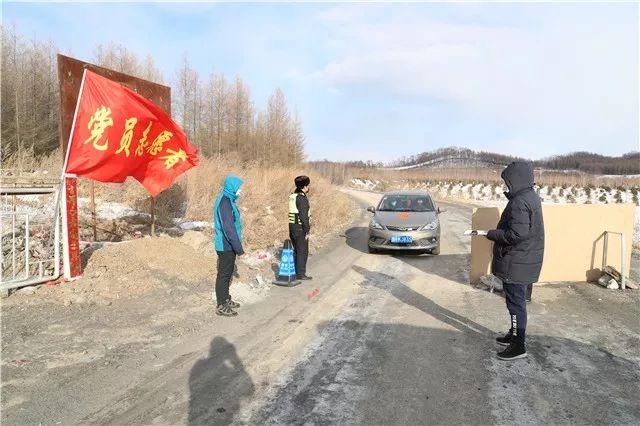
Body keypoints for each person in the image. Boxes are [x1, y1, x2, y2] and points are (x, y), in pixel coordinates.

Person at [486, 161, 545, 361]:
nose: (506, 185)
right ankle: (514, 334)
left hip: (517, 261)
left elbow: (517, 234)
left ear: (516, 179)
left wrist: (493, 234)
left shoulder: (520, 201)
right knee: (515, 301)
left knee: (515, 304)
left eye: (508, 181)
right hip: (523, 259)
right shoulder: (530, 196)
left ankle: (518, 345)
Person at [213, 175, 245, 316]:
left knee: (227, 273)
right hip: (226, 245)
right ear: (232, 187)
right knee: (224, 275)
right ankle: (221, 305)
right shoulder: (224, 202)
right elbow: (228, 228)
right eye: (239, 188)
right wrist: (239, 249)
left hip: (229, 244)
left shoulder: (229, 200)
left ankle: (226, 299)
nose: (240, 190)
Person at [289, 175, 312, 280]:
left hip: (292, 227)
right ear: (305, 186)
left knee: (297, 251)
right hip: (300, 229)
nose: (308, 188)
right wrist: (307, 231)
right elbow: (303, 216)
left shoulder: (293, 196)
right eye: (308, 185)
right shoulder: (301, 199)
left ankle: (297, 271)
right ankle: (301, 274)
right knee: (302, 252)